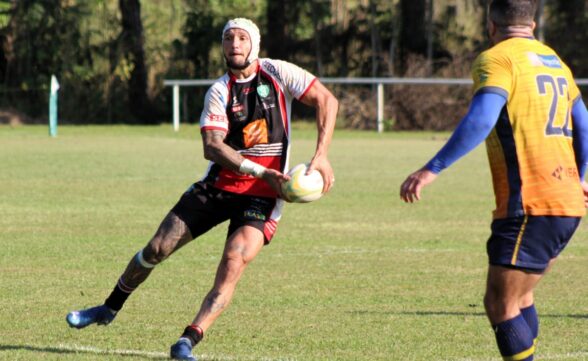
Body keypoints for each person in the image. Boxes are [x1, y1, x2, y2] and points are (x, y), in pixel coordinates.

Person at [66, 17, 338, 361]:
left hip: (264, 195)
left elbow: (327, 100)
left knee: (234, 258)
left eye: (241, 38)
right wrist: (261, 171)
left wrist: (322, 155)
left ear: (254, 44)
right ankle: (109, 307)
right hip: (218, 186)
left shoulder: (278, 73)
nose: (234, 45)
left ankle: (188, 339)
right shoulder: (220, 91)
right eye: (228, 39)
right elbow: (213, 146)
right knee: (157, 248)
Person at [399, 0, 588, 360]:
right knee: (520, 296)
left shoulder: (498, 58)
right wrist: (580, 177)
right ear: (532, 22)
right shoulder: (554, 60)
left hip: (531, 203)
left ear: (490, 24)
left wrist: (431, 168)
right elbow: (585, 125)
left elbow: (483, 118)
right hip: (567, 201)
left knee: (500, 305)